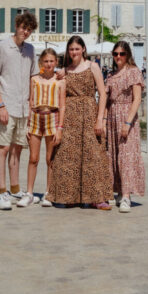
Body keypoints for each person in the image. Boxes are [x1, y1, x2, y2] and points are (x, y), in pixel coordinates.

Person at [48, 35, 113, 209]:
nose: (74, 52)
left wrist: (100, 119)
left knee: (93, 155)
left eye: (77, 49)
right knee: (68, 156)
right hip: (70, 116)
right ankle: (68, 196)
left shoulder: (93, 67)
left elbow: (103, 93)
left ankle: (97, 197)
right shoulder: (65, 70)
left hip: (90, 112)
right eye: (71, 49)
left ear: (83, 49)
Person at [0, 11, 38, 210]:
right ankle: (2, 192)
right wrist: (0, 104)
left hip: (23, 107)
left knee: (18, 148)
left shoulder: (31, 50)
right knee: (4, 148)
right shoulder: (2, 47)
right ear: (17, 25)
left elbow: (33, 78)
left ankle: (15, 188)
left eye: (29, 29)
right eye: (23, 27)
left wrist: (32, 104)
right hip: (6, 105)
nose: (25, 32)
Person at [20, 49, 64, 208]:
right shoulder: (34, 79)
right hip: (36, 117)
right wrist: (27, 123)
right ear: (41, 63)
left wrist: (60, 128)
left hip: (53, 117)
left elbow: (63, 106)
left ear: (56, 62)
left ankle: (48, 192)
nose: (49, 64)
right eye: (46, 61)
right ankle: (30, 193)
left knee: (50, 159)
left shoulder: (60, 81)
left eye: (52, 61)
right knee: (33, 158)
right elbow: (30, 101)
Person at [104, 41, 145, 213]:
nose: (118, 57)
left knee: (126, 156)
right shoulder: (111, 75)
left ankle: (127, 196)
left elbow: (137, 98)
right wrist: (104, 120)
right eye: (115, 54)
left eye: (122, 54)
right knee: (113, 155)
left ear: (127, 54)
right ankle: (120, 191)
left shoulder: (134, 72)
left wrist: (128, 122)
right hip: (112, 117)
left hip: (127, 116)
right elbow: (106, 101)